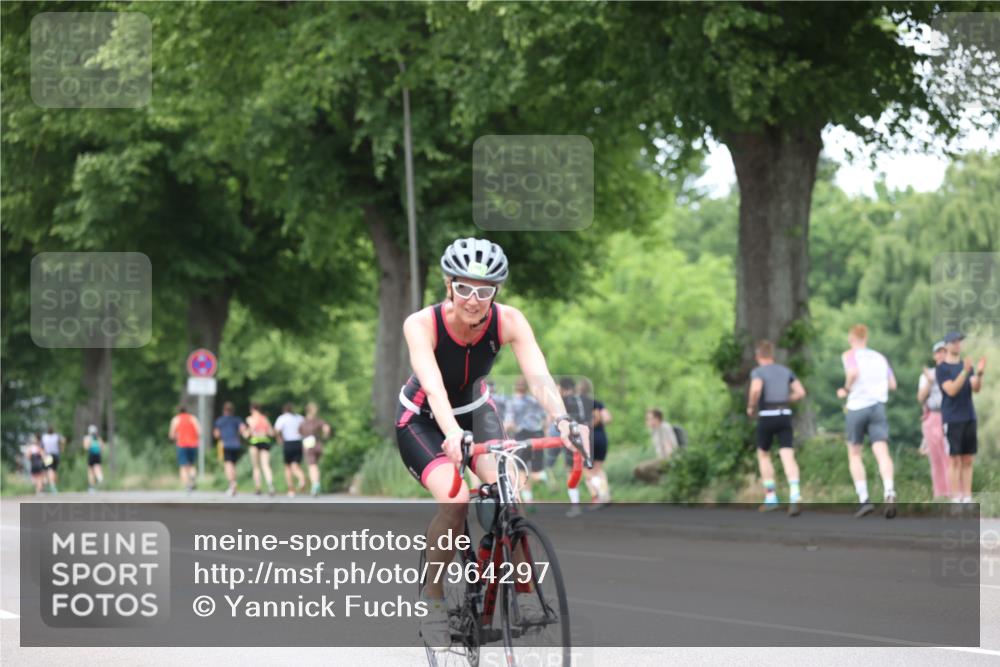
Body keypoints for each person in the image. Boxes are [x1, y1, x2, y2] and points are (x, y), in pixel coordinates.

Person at [395, 238, 590, 649]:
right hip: (425, 419)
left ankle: (522, 593)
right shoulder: (421, 323)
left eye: (484, 291)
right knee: (457, 499)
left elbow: (539, 376)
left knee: (507, 492)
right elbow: (433, 389)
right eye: (464, 287)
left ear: (496, 292)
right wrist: (451, 434)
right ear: (448, 285)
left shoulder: (509, 321)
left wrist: (565, 420)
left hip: (477, 411)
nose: (473, 299)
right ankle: (432, 599)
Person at [837, 324, 898, 519]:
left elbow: (853, 373)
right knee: (882, 452)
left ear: (851, 338)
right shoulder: (880, 357)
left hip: (857, 406)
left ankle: (864, 499)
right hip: (878, 407)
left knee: (854, 453)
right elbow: (893, 384)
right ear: (866, 338)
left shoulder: (850, 355)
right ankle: (889, 491)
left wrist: (845, 389)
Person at [746, 340, 807, 516]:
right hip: (785, 415)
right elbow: (801, 392)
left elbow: (756, 389)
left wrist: (751, 406)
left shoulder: (758, 372)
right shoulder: (786, 371)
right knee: (787, 454)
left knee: (764, 455)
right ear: (772, 355)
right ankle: (795, 494)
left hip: (767, 416)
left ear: (758, 356)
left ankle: (771, 497)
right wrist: (787, 399)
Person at [936, 331, 986, 504]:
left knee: (968, 459)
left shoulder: (967, 366)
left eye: (960, 342)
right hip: (952, 419)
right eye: (954, 342)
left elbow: (976, 388)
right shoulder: (942, 368)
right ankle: (955, 498)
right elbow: (951, 390)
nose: (958, 344)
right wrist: (964, 372)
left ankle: (967, 497)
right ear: (947, 345)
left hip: (969, 416)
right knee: (954, 459)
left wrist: (978, 374)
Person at [503, 376, 548, 506]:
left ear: (516, 388)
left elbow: (509, 423)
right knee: (536, 468)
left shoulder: (513, 402)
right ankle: (541, 477)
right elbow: (544, 419)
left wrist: (505, 430)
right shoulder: (534, 401)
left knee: (521, 470)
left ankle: (528, 499)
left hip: (522, 436)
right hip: (537, 435)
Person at [917, 341, 950, 500]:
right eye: (939, 352)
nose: (941, 354)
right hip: (933, 416)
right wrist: (929, 382)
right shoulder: (928, 374)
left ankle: (954, 495)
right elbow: (920, 398)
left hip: (951, 416)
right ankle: (939, 495)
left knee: (950, 457)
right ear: (934, 355)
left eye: (944, 351)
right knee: (935, 459)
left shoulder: (954, 372)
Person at [578, 378, 612, 508]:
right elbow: (608, 418)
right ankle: (605, 495)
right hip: (601, 437)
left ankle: (598, 497)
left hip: (588, 439)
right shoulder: (598, 404)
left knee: (587, 470)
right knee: (598, 469)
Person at [241, 403, 276, 496]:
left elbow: (245, 435)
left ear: (252, 409)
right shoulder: (264, 419)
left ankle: (258, 487)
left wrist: (248, 431)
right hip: (265, 442)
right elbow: (271, 433)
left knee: (256, 467)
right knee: (266, 465)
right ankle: (270, 485)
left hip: (254, 442)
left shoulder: (249, 419)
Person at [300, 401, 332, 497]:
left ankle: (315, 485)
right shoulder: (319, 421)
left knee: (312, 466)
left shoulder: (304, 422)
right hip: (318, 445)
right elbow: (327, 428)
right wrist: (326, 436)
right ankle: (317, 483)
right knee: (316, 466)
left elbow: (299, 432)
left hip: (308, 446)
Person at [274, 403, 307, 497]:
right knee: (296, 465)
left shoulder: (282, 418)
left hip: (288, 443)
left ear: (284, 410)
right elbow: (305, 428)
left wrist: (279, 439)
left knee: (288, 467)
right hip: (298, 443)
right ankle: (301, 478)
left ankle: (291, 489)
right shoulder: (300, 418)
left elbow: (276, 430)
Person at [213, 401, 245, 496]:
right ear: (232, 410)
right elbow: (243, 429)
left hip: (226, 444)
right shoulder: (237, 419)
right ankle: (233, 483)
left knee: (228, 465)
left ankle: (232, 484)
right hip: (236, 444)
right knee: (233, 465)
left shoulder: (220, 420)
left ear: (224, 410)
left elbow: (216, 434)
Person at [169, 405, 201, 493]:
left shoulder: (176, 419)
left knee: (183, 466)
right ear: (187, 411)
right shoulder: (193, 418)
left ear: (179, 411)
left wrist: (175, 437)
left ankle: (187, 485)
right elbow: (199, 431)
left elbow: (171, 435)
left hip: (182, 444)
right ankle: (193, 478)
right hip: (193, 444)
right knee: (191, 465)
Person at [41, 425, 66, 493]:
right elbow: (63, 440)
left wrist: (43, 456)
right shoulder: (56, 436)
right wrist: (61, 448)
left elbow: (42, 448)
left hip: (48, 455)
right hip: (55, 455)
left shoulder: (44, 437)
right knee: (53, 470)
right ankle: (52, 485)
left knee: (49, 470)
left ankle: (51, 485)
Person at [83, 424, 104, 492]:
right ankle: (99, 477)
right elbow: (102, 447)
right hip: (98, 455)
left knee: (90, 471)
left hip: (91, 455)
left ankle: (91, 487)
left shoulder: (87, 438)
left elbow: (86, 447)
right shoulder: (98, 438)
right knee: (97, 467)